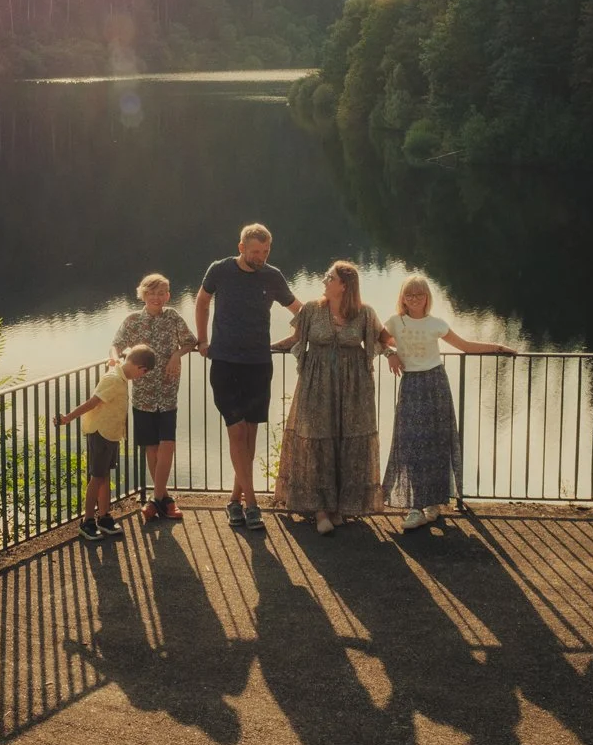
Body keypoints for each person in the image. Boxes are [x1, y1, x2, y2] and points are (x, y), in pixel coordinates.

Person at [382, 275, 515, 531]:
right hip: (411, 386)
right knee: (411, 443)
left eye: (419, 295)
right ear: (403, 299)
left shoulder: (436, 324)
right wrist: (390, 353)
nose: (414, 299)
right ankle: (415, 507)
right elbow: (378, 339)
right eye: (409, 295)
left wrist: (498, 347)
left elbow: (465, 345)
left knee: (435, 442)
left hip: (435, 385)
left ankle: (431, 505)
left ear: (427, 297)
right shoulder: (395, 322)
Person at [195, 223, 301, 531]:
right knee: (236, 431)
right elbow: (202, 301)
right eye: (256, 251)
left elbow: (299, 310)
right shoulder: (220, 270)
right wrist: (202, 340)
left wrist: (319, 323)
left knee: (250, 434)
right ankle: (251, 504)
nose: (262, 257)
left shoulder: (273, 275)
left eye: (266, 251)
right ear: (241, 248)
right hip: (225, 362)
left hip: (258, 363)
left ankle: (233, 500)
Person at [271, 259, 390, 534]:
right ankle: (321, 509)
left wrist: (396, 352)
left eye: (330, 277)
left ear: (344, 285)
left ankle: (339, 507)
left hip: (353, 389)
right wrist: (260, 349)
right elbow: (294, 340)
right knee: (316, 440)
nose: (324, 280)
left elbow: (383, 340)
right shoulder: (311, 309)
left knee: (346, 440)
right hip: (316, 385)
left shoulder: (365, 313)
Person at [110, 273, 197, 523]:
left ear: (168, 295)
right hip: (143, 394)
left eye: (162, 293)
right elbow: (116, 344)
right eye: (151, 293)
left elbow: (190, 341)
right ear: (143, 295)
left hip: (168, 392)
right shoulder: (133, 320)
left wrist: (176, 355)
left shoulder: (173, 317)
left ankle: (155, 499)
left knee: (167, 443)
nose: (157, 298)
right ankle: (164, 499)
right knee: (153, 448)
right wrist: (115, 359)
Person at [54, 344, 156, 541]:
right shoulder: (114, 379)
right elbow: (93, 402)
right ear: (140, 368)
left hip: (111, 434)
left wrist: (114, 357)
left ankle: (104, 516)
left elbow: (114, 351)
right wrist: (67, 418)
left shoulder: (120, 370)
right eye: (143, 374)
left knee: (104, 476)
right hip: (100, 433)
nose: (140, 378)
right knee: (97, 477)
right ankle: (88, 521)